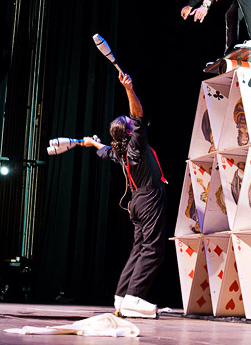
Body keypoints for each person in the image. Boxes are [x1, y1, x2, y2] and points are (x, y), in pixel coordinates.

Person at [81, 71, 167, 318]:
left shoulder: (121, 151)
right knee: (152, 250)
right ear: (130, 133)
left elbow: (106, 150)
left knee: (139, 248)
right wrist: (129, 88)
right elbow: (137, 115)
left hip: (138, 202)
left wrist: (92, 144)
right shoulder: (136, 146)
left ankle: (122, 297)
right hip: (149, 199)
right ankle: (134, 297)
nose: (134, 124)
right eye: (131, 126)